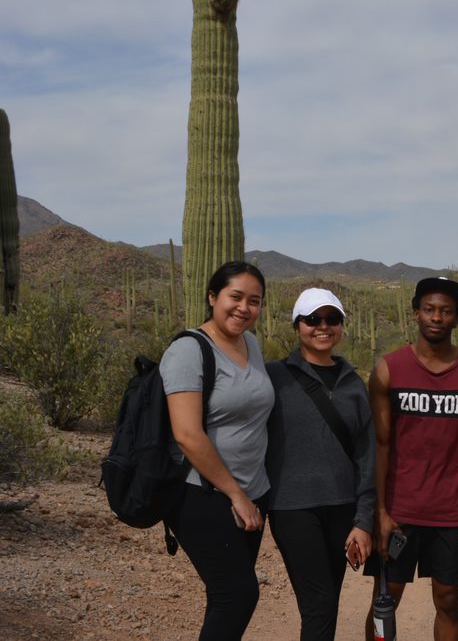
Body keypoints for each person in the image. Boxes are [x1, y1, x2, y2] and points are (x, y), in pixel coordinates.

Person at [363, 276, 458, 641]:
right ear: (415, 314)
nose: (436, 317)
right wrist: (378, 511)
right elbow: (379, 444)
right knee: (384, 600)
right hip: (399, 511)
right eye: (429, 309)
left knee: (449, 602)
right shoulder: (388, 370)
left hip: (454, 514)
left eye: (446, 311)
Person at [160, 261, 275, 640]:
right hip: (202, 492)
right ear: (212, 297)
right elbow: (187, 434)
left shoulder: (251, 344)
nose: (244, 308)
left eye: (254, 301)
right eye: (235, 297)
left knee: (225, 596)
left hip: (252, 492)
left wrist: (251, 493)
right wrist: (236, 495)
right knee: (237, 594)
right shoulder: (188, 350)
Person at [265, 287, 376, 640]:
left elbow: (367, 455)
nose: (322, 326)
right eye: (312, 319)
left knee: (326, 603)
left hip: (342, 507)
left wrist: (364, 520)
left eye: (332, 319)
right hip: (292, 507)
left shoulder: (354, 384)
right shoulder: (273, 377)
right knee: (319, 601)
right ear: (297, 325)